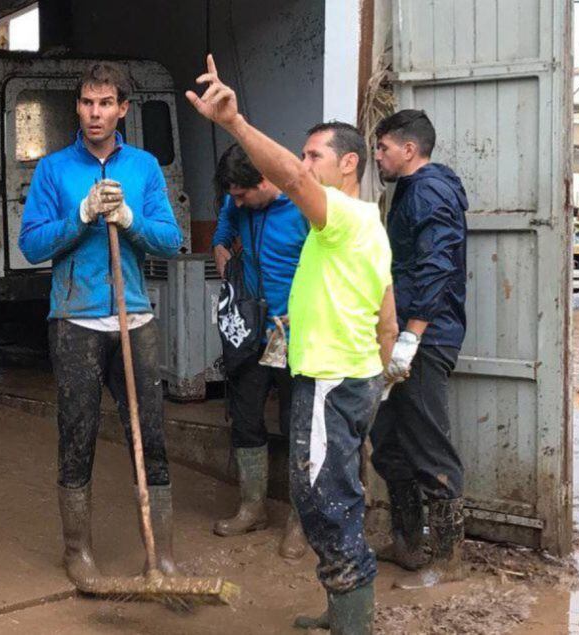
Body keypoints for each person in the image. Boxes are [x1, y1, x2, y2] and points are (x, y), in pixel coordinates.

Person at [188, 55, 397, 634]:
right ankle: (342, 612)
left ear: (348, 163)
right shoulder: (367, 224)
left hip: (330, 380)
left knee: (326, 503)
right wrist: (380, 376)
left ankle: (353, 623)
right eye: (303, 155)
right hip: (346, 377)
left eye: (313, 156)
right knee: (331, 495)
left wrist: (234, 123)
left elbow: (293, 181)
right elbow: (387, 310)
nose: (302, 166)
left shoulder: (342, 218)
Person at [18, 62, 183, 590]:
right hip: (75, 319)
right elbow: (32, 244)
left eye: (106, 103)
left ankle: (162, 554)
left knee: (150, 433)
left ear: (122, 110)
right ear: (78, 107)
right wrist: (83, 214)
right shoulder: (53, 170)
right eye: (88, 103)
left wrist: (130, 220)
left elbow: (170, 240)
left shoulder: (144, 167)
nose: (96, 113)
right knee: (78, 432)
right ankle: (78, 551)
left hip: (134, 318)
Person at [370, 109, 470, 589]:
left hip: (424, 338)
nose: (377, 155)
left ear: (408, 149)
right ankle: (408, 544)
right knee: (390, 441)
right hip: (401, 336)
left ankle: (448, 561)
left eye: (383, 147)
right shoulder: (409, 191)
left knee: (429, 443)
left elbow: (437, 264)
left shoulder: (429, 190)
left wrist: (411, 336)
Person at [210, 143, 310, 560]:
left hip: (298, 335)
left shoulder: (306, 207)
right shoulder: (237, 206)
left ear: (266, 180)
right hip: (251, 337)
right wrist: (232, 282)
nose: (235, 203)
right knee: (247, 419)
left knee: (299, 427)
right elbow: (219, 241)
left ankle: (301, 522)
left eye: (241, 195)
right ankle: (253, 508)